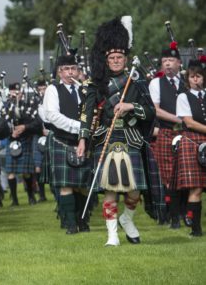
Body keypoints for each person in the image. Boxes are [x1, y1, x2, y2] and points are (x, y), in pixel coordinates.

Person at [76, 16, 155, 246]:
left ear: (126, 59)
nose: (117, 61)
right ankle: (112, 235)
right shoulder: (96, 84)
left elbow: (150, 112)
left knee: (134, 192)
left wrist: (131, 106)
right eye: (112, 58)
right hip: (106, 138)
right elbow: (86, 113)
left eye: (120, 57)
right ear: (106, 60)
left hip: (131, 138)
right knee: (110, 189)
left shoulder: (137, 84)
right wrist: (82, 139)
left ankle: (127, 219)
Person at [42, 53, 92, 234]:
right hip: (62, 141)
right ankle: (71, 224)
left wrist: (86, 133)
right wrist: (79, 127)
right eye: (65, 69)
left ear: (78, 71)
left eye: (73, 69)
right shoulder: (53, 89)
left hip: (85, 142)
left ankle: (83, 221)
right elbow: (52, 115)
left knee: (84, 185)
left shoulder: (86, 89)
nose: (70, 72)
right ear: (59, 72)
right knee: (66, 185)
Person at [149, 42, 185, 228]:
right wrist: (180, 119)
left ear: (179, 62)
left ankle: (184, 211)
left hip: (186, 135)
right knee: (167, 176)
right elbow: (155, 110)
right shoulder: (156, 83)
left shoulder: (186, 82)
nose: (168, 64)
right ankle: (171, 214)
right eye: (165, 61)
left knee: (183, 174)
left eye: (171, 60)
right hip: (166, 133)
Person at [174, 56, 206, 237]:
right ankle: (196, 229)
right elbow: (189, 123)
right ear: (188, 79)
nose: (196, 79)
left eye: (199, 76)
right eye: (193, 76)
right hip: (192, 141)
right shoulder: (183, 97)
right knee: (196, 188)